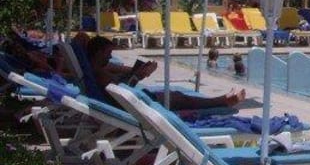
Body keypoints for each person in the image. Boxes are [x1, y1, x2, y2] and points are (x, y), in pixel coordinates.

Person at [86, 35, 246, 112]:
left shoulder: (95, 70)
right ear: (98, 52)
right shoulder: (100, 74)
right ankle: (223, 101)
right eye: (108, 53)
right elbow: (122, 94)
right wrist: (139, 76)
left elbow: (120, 87)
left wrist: (136, 72)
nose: (110, 57)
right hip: (136, 107)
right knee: (183, 100)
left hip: (136, 102)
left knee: (178, 96)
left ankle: (222, 100)